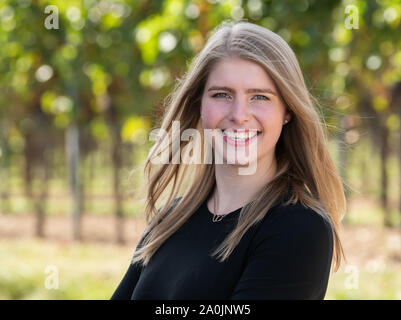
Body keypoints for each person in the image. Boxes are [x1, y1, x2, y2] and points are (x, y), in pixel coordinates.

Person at [110, 20, 346, 300]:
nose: (239, 114)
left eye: (260, 97)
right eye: (221, 94)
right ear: (200, 104)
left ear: (287, 111)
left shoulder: (299, 228)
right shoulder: (171, 219)